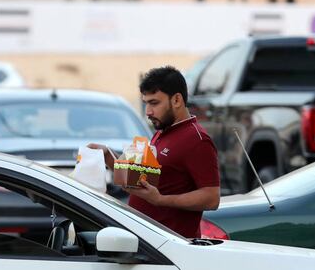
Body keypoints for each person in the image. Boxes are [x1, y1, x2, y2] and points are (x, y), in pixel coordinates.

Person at [90, 66, 220, 238]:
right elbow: (143, 179)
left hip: (168, 250)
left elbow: (211, 198)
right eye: (146, 103)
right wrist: (108, 156)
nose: (148, 112)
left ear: (177, 100)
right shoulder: (162, 131)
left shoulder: (197, 140)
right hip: (145, 243)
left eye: (154, 103)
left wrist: (160, 200)